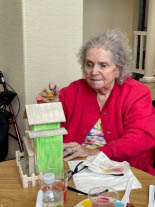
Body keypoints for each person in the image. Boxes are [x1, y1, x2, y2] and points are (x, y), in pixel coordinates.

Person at [38, 30, 155, 175]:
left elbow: (140, 138)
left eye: (103, 65)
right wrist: (51, 109)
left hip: (126, 170)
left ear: (118, 69)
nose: (94, 72)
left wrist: (94, 152)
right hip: (76, 170)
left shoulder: (136, 93)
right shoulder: (72, 91)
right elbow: (52, 135)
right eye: (89, 64)